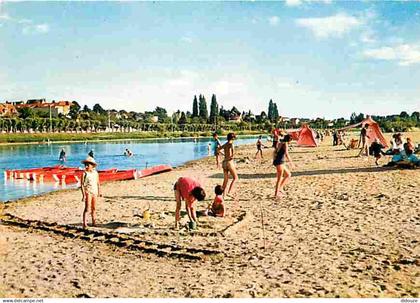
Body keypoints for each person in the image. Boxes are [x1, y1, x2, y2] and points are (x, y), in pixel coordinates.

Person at [81, 156, 100, 229]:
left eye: (87, 165)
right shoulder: (84, 174)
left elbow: (98, 182)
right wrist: (83, 195)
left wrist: (99, 191)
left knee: (94, 207)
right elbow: (82, 185)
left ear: (92, 166)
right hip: (88, 192)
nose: (86, 166)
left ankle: (94, 222)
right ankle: (85, 223)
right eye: (85, 165)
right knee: (87, 208)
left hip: (94, 192)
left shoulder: (95, 173)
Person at [273, 134, 294, 198]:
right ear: (289, 140)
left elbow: (275, 152)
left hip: (278, 161)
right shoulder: (285, 144)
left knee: (288, 175)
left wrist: (274, 159)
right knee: (279, 179)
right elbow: (287, 154)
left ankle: (280, 188)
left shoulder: (280, 143)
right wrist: (291, 163)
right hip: (280, 162)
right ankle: (276, 194)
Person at [218, 133, 238, 198]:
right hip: (229, 162)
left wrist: (223, 154)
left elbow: (218, 149)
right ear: (233, 138)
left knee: (225, 180)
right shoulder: (231, 144)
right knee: (235, 178)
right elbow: (232, 154)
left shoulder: (225, 144)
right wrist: (231, 156)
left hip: (224, 162)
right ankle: (230, 192)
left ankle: (222, 195)